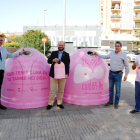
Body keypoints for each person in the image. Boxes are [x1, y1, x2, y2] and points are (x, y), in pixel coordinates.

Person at [94, 41, 129, 109]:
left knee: (118, 89)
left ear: (121, 47)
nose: (117, 47)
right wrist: (98, 54)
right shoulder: (112, 53)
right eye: (116, 46)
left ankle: (116, 103)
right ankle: (110, 102)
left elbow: (127, 66)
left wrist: (126, 75)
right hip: (111, 73)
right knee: (110, 89)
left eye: (118, 46)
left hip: (118, 74)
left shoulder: (123, 55)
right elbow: (106, 56)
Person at [0, 35, 25, 110]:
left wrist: (20, 53)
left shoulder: (3, 49)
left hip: (1, 70)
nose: (1, 41)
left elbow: (10, 55)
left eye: (2, 40)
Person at [47, 41, 70, 110]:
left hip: (62, 75)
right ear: (57, 45)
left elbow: (67, 65)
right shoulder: (53, 53)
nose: (61, 46)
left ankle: (59, 103)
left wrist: (67, 74)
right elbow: (48, 61)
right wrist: (53, 60)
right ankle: (50, 103)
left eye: (62, 45)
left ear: (64, 46)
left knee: (61, 90)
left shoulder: (66, 54)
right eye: (60, 45)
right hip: (53, 74)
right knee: (52, 90)